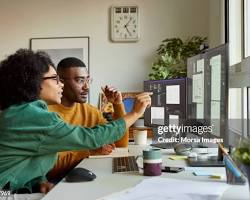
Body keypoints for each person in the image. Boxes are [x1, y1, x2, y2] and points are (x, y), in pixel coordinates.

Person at [0, 49, 151, 194]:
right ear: (34, 82)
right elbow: (92, 137)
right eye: (55, 79)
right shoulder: (31, 116)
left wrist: (39, 183)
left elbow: (24, 163)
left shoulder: (23, 112)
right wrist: (135, 113)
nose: (61, 84)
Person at [48, 58, 129, 178]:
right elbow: (49, 167)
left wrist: (118, 105)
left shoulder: (91, 112)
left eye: (88, 80)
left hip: (86, 173)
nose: (86, 87)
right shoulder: (45, 113)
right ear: (61, 81)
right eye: (80, 80)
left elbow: (120, 144)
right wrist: (89, 151)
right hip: (55, 181)